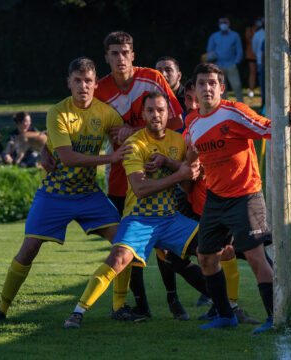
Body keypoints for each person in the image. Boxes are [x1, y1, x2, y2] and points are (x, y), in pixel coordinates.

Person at [0, 57, 133, 324]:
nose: (83, 86)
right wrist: (111, 158)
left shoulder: (106, 113)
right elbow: (68, 157)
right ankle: (1, 310)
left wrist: (127, 135)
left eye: (88, 81)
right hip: (54, 194)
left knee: (124, 244)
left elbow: (123, 136)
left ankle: (119, 307)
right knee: (28, 250)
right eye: (77, 81)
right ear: (69, 83)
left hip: (88, 193)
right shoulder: (58, 112)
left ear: (96, 84)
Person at [63, 91, 209, 329]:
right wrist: (179, 174)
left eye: (161, 110)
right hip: (140, 219)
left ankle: (227, 307)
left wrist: (188, 170)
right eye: (150, 110)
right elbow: (140, 189)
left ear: (168, 113)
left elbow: (185, 184)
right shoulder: (134, 144)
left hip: (171, 219)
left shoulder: (179, 141)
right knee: (118, 258)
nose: (156, 115)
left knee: (213, 248)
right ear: (142, 114)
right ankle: (78, 312)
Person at [186, 62, 291, 332]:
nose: (207, 88)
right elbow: (191, 149)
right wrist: (186, 166)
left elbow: (270, 129)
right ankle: (226, 316)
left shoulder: (235, 112)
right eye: (202, 83)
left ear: (221, 88)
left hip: (245, 196)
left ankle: (275, 318)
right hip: (215, 199)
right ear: (194, 89)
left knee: (255, 257)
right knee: (205, 257)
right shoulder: (191, 122)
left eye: (212, 83)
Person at [95, 32, 184, 320]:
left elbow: (176, 120)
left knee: (167, 247)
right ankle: (140, 306)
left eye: (125, 52)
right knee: (127, 246)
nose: (120, 58)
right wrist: (48, 148)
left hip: (158, 173)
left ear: (133, 55)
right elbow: (80, 124)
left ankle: (175, 300)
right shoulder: (99, 89)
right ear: (106, 57)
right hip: (121, 178)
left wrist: (133, 131)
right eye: (114, 53)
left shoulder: (153, 79)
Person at [206, 17, 244, 102]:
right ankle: (223, 106)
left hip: (231, 65)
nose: (223, 24)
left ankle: (241, 106)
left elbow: (239, 50)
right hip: (218, 66)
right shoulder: (214, 36)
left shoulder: (235, 35)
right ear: (219, 25)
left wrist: (236, 62)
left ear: (229, 24)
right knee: (221, 88)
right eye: (221, 22)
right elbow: (209, 51)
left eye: (225, 22)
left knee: (237, 86)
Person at [252, 17, 265, 107]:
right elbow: (255, 49)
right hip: (262, 64)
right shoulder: (257, 34)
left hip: (274, 65)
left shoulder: (275, 33)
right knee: (263, 85)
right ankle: (263, 104)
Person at [245, 18, 259, 98]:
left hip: (261, 55)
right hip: (251, 54)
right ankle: (251, 89)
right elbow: (248, 39)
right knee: (252, 72)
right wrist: (254, 31)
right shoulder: (249, 29)